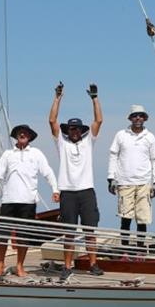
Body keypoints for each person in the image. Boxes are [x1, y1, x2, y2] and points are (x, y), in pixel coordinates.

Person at [0, 124, 59, 278]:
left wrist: (55, 189)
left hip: (28, 201)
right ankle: (0, 264)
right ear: (16, 136)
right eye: (19, 132)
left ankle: (19, 266)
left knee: (24, 236)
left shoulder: (36, 153)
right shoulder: (8, 154)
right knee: (2, 234)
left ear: (30, 136)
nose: (22, 134)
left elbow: (48, 172)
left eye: (25, 133)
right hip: (9, 200)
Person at [48, 81, 104, 279]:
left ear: (81, 130)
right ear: (68, 130)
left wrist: (95, 98)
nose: (74, 131)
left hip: (86, 190)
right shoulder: (62, 143)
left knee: (90, 230)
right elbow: (52, 121)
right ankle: (67, 265)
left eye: (77, 129)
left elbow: (98, 121)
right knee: (69, 232)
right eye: (71, 129)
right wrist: (57, 97)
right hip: (67, 192)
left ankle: (93, 264)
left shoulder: (89, 141)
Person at [107, 102, 155, 248]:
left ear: (144, 118)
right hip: (124, 182)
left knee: (142, 218)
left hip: (144, 182)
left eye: (140, 116)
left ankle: (140, 250)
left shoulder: (150, 137)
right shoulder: (121, 135)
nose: (138, 118)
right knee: (125, 217)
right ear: (130, 118)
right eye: (135, 116)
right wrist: (111, 178)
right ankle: (125, 249)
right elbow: (113, 156)